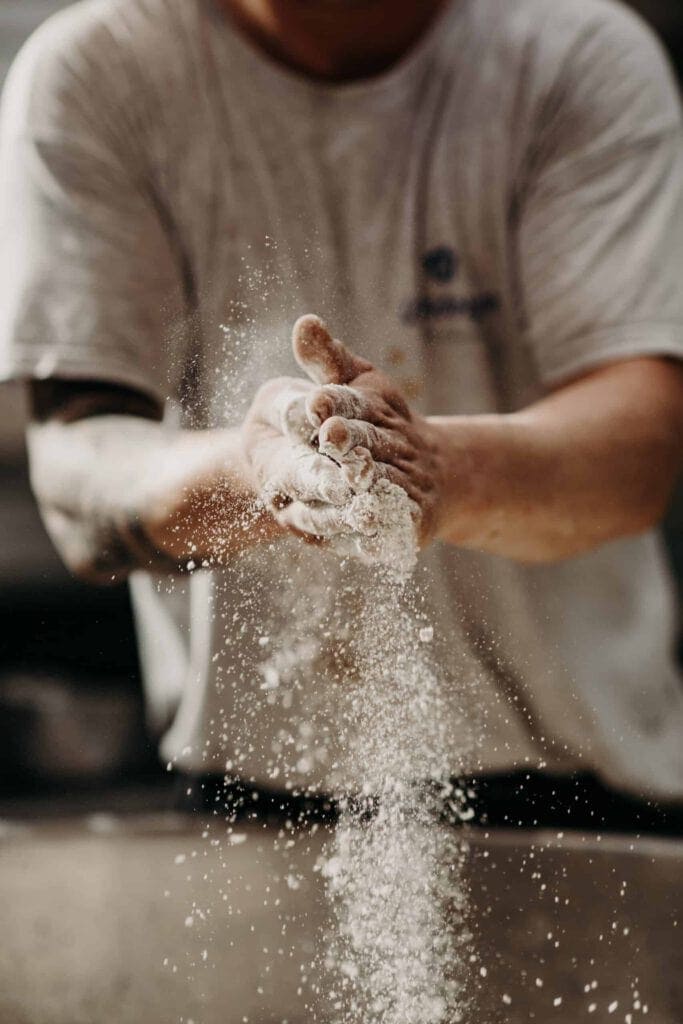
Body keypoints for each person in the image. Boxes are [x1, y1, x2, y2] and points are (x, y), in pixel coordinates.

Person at [1, 0, 683, 823]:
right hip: (252, 793)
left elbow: (638, 450)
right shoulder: (101, 71)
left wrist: (439, 472)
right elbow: (82, 476)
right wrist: (258, 477)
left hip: (583, 781)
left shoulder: (572, 55)